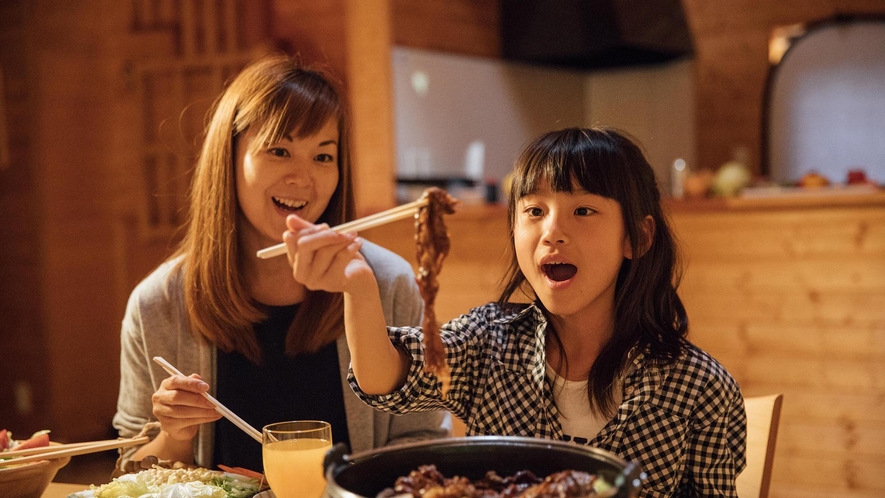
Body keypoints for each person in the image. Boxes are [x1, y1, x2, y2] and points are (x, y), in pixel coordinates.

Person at [284, 127, 747, 496]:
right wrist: (358, 289)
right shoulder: (492, 341)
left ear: (638, 238)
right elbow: (386, 382)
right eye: (534, 210)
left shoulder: (699, 388)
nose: (553, 232)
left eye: (583, 210)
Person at [112, 54, 449, 473]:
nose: (303, 179)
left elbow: (422, 443)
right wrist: (174, 435)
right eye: (279, 150)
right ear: (229, 158)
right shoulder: (158, 303)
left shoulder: (386, 283)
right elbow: (132, 469)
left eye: (323, 156)